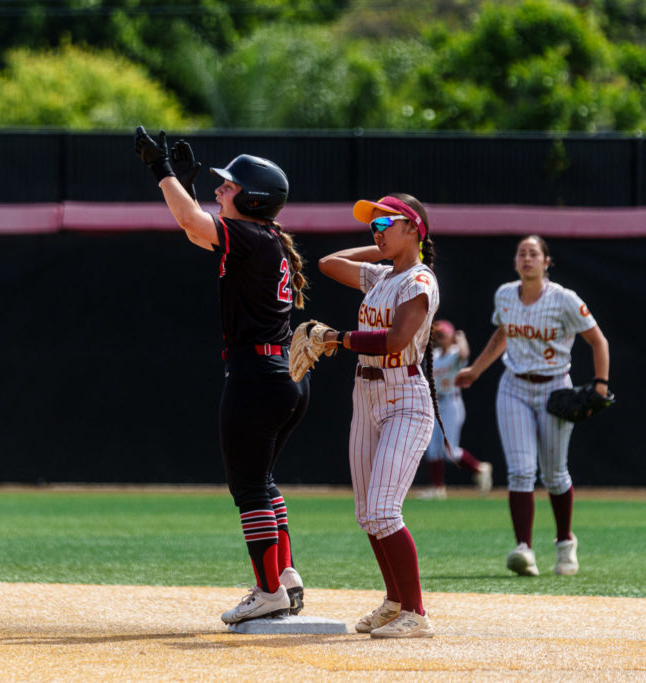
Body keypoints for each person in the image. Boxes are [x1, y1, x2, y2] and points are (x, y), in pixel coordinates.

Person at [133, 127, 310, 624]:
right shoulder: (264, 237)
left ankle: (268, 588)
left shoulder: (251, 236)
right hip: (285, 375)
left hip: (258, 375)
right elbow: (194, 227)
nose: (219, 189)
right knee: (263, 481)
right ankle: (285, 576)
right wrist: (182, 185)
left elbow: (192, 219)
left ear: (253, 198)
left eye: (229, 186)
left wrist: (160, 170)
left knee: (249, 487)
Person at [315, 193, 440, 639]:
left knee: (385, 510)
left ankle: (417, 613)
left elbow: (394, 340)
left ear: (413, 226)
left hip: (404, 396)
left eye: (386, 222)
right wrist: (387, 247)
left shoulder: (419, 280)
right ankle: (394, 602)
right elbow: (329, 262)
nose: (376, 229)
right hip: (365, 393)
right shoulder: (383, 275)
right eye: (374, 224)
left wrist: (337, 337)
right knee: (368, 513)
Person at [455, 235, 610, 577]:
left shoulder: (564, 299)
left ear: (546, 262)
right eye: (521, 253)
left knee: (554, 474)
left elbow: (598, 340)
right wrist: (476, 371)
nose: (527, 258)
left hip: (555, 388)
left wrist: (600, 386)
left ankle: (565, 543)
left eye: (533, 253)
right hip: (514, 387)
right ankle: (524, 549)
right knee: (521, 470)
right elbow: (502, 335)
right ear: (515, 262)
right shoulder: (505, 294)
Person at [418, 319, 493, 500]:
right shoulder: (433, 355)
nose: (439, 338)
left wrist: (460, 337)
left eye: (442, 335)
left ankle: (479, 468)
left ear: (451, 337)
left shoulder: (455, 354)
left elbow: (465, 353)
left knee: (449, 450)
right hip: (435, 403)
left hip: (451, 403)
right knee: (432, 448)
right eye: (436, 335)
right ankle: (437, 489)